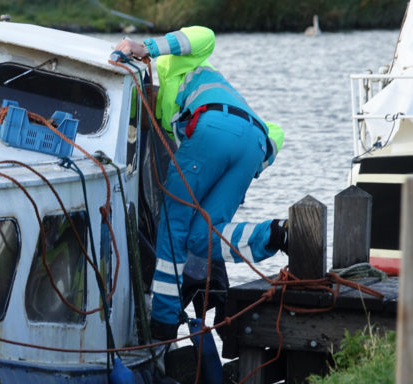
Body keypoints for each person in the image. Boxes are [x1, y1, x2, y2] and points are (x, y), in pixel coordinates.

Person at [115, 26, 287, 340]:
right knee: (202, 235)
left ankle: (164, 325)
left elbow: (204, 35)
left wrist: (147, 47)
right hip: (255, 143)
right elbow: (275, 131)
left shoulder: (171, 65)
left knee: (172, 226)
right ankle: (277, 233)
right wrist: (259, 162)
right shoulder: (220, 85)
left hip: (211, 129)